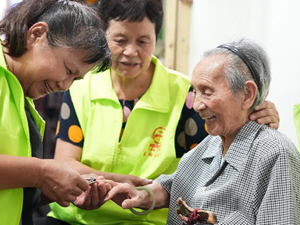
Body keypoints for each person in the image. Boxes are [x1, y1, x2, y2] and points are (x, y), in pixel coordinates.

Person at [46, 1, 281, 225]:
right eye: (120, 40)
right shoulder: (80, 86)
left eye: (143, 41)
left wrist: (254, 116)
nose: (131, 51)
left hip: (149, 216)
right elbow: (65, 163)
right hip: (76, 218)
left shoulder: (187, 94)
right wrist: (120, 182)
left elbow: (216, 163)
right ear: (103, 37)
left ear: (156, 38)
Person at [103, 39, 300, 225]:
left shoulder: (275, 155)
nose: (197, 105)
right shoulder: (212, 143)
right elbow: (176, 185)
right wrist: (143, 196)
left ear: (247, 94)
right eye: (195, 92)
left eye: (207, 92)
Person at [0, 0, 110, 224]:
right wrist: (40, 172)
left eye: (75, 79)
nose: (65, 85)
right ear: (36, 34)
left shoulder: (22, 103)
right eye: (67, 70)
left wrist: (64, 188)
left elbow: (8, 189)